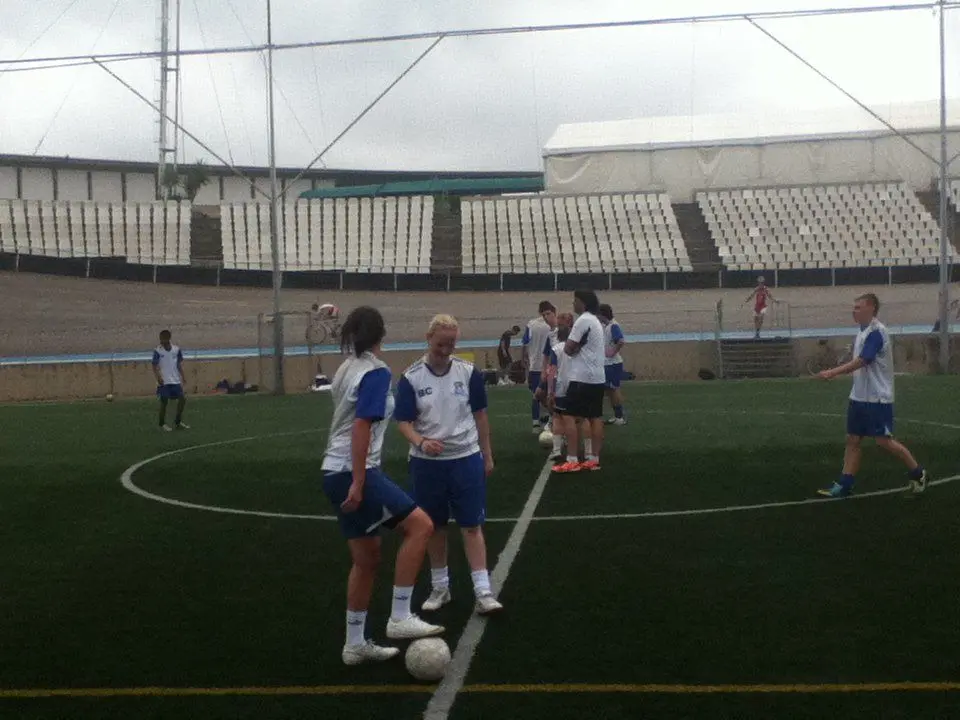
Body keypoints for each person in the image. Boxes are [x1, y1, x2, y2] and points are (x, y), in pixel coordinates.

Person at [319, 306, 444, 666]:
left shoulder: (346, 368)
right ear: (381, 334)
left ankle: (355, 643)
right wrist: (359, 481)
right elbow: (361, 426)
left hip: (333, 470)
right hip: (352, 471)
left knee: (366, 559)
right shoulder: (375, 372)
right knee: (421, 525)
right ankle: (400, 616)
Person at [394, 314, 503, 616]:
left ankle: (483, 590)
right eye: (441, 343)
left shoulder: (468, 373)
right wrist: (420, 442)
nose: (446, 349)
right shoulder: (411, 377)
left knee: (472, 524)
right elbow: (403, 423)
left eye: (452, 343)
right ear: (428, 338)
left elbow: (480, 416)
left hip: (465, 458)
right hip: (427, 464)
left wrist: (487, 454)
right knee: (434, 526)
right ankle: (440, 587)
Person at [816, 293, 928, 498]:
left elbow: (863, 360)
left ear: (871, 309)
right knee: (853, 440)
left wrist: (833, 372)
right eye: (854, 307)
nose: (854, 310)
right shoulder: (862, 331)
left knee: (884, 441)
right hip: (859, 397)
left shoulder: (877, 332)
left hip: (877, 398)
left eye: (858, 307)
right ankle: (844, 484)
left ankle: (918, 472)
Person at [552, 290, 606, 473]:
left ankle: (572, 459)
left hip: (582, 377)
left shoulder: (582, 321)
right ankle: (594, 459)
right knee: (595, 417)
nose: (573, 304)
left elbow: (568, 348)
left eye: (575, 301)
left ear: (582, 303)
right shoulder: (596, 321)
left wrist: (574, 348)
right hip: (598, 377)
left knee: (568, 416)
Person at [521, 301, 557, 433]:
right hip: (552, 367)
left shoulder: (532, 324)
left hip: (536, 365)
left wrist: (524, 358)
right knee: (552, 395)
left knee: (536, 395)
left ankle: (536, 422)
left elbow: (525, 342)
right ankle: (551, 419)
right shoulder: (554, 326)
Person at [152, 329, 189, 431]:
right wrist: (158, 377)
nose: (160, 341)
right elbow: (154, 365)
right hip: (164, 381)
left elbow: (178, 364)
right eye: (160, 338)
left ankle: (178, 421)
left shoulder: (176, 350)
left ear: (168, 338)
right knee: (164, 402)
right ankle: (162, 424)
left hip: (175, 380)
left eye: (162, 339)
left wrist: (183, 376)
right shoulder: (158, 351)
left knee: (182, 399)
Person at [598, 304, 627, 426]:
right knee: (609, 390)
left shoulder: (613, 325)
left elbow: (620, 341)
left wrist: (612, 352)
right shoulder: (607, 326)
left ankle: (620, 416)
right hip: (607, 363)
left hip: (613, 363)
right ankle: (616, 415)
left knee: (614, 389)